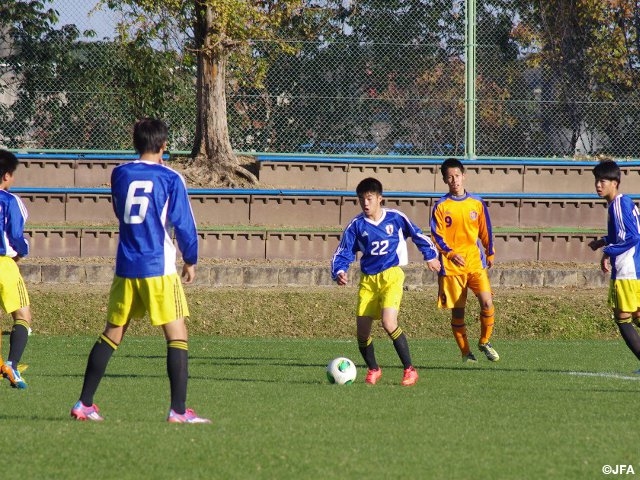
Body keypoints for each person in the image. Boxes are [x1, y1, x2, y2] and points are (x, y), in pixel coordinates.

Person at [71, 118, 210, 423]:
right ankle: (178, 411)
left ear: (135, 143)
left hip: (126, 265)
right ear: (164, 146)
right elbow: (184, 224)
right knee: (177, 335)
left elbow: (121, 211)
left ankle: (84, 404)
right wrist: (191, 258)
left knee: (112, 333)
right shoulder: (171, 178)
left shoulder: (119, 174)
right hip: (157, 267)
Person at [331, 177, 441, 386]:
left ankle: (410, 370)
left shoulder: (395, 218)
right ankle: (374, 369)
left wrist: (430, 255)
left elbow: (417, 235)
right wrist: (339, 271)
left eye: (369, 199)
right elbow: (344, 251)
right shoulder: (356, 225)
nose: (365, 203)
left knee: (388, 322)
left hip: (391, 275)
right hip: (368, 281)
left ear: (380, 199)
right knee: (362, 332)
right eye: (361, 199)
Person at [430, 157, 499, 363]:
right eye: (449, 177)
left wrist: (490, 251)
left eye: (457, 176)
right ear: (444, 180)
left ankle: (484, 341)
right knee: (458, 313)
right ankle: (466, 353)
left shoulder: (476, 203)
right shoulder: (441, 206)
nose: (454, 180)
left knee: (487, 302)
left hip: (475, 263)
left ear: (464, 176)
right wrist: (450, 254)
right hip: (451, 267)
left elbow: (486, 229)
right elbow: (436, 236)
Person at [588, 160, 640, 371]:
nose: (598, 185)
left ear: (615, 182)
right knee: (637, 314)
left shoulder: (618, 204)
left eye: (603, 181)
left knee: (622, 317)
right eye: (596, 181)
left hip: (627, 270)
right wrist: (603, 242)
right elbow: (620, 234)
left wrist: (608, 252)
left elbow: (632, 237)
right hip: (635, 267)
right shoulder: (623, 203)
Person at [0, 149, 31, 389]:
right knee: (22, 316)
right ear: (7, 176)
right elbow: (16, 236)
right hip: (4, 265)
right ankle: (11, 363)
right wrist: (21, 251)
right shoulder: (11, 201)